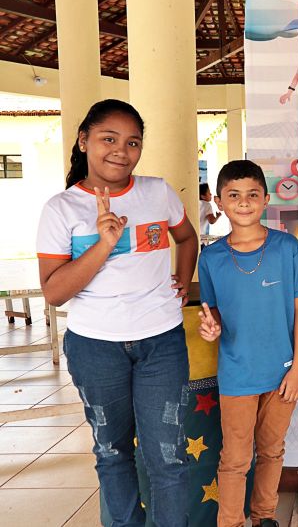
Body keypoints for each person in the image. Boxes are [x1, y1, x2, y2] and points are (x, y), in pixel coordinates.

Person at [36, 99, 198, 527]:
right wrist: (104, 244)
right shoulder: (61, 209)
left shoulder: (157, 192)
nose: (121, 151)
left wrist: (182, 280)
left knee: (168, 456)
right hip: (95, 348)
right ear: (84, 140)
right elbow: (54, 292)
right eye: (109, 139)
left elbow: (187, 238)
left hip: (161, 342)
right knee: (112, 452)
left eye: (132, 142)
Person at [196, 159, 298, 527]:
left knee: (272, 450)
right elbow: (214, 313)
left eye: (252, 194)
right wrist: (211, 328)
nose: (244, 202)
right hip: (237, 374)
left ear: (265, 199)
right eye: (234, 195)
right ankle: (230, 522)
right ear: (219, 202)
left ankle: (264, 516)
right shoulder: (211, 257)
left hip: (282, 373)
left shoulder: (287, 248)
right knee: (235, 458)